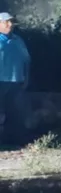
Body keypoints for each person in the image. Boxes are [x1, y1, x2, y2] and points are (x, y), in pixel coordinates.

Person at [0, 12, 32, 146]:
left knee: (15, 113)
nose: (10, 24)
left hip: (16, 81)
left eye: (11, 22)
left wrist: (26, 78)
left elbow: (27, 60)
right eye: (6, 22)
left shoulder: (18, 41)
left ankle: (14, 141)